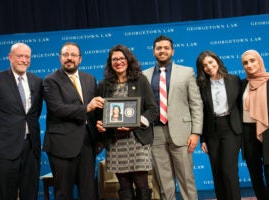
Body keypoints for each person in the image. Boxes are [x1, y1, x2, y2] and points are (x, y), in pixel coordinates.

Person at [143, 35, 203, 200]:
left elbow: (196, 104)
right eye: (159, 48)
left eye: (166, 48)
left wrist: (196, 133)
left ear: (172, 51)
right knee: (164, 182)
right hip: (155, 133)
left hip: (182, 132)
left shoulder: (187, 72)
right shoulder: (144, 75)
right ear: (153, 51)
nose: (162, 51)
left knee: (186, 179)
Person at [43, 42, 104, 199]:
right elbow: (58, 109)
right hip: (61, 145)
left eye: (73, 55)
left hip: (87, 144)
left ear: (80, 59)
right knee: (63, 192)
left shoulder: (90, 79)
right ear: (60, 58)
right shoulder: (51, 80)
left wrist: (99, 136)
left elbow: (95, 112)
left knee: (89, 191)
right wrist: (87, 108)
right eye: (65, 55)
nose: (69, 58)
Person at [96, 44, 157, 200]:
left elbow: (152, 110)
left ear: (128, 60)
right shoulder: (104, 85)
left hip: (137, 140)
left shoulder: (140, 80)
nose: (118, 62)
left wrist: (136, 122)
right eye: (114, 59)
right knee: (123, 185)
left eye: (122, 58)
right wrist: (100, 124)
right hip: (116, 142)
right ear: (110, 63)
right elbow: (99, 114)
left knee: (142, 183)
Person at [0, 43, 43, 199]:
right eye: (19, 56)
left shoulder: (37, 81)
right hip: (5, 149)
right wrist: (1, 137)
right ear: (10, 57)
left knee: (30, 194)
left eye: (27, 57)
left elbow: (34, 113)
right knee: (6, 195)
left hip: (31, 147)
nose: (24, 60)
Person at [196, 50, 242, 200]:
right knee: (217, 173)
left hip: (231, 129)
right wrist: (202, 139)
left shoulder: (234, 80)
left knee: (229, 171)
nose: (209, 67)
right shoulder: (201, 85)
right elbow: (201, 113)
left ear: (217, 60)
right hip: (212, 131)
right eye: (204, 66)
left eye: (210, 62)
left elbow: (241, 108)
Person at [240, 49, 269, 200]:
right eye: (245, 62)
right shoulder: (243, 84)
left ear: (259, 61)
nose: (249, 65)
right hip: (247, 132)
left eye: (252, 60)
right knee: (255, 175)